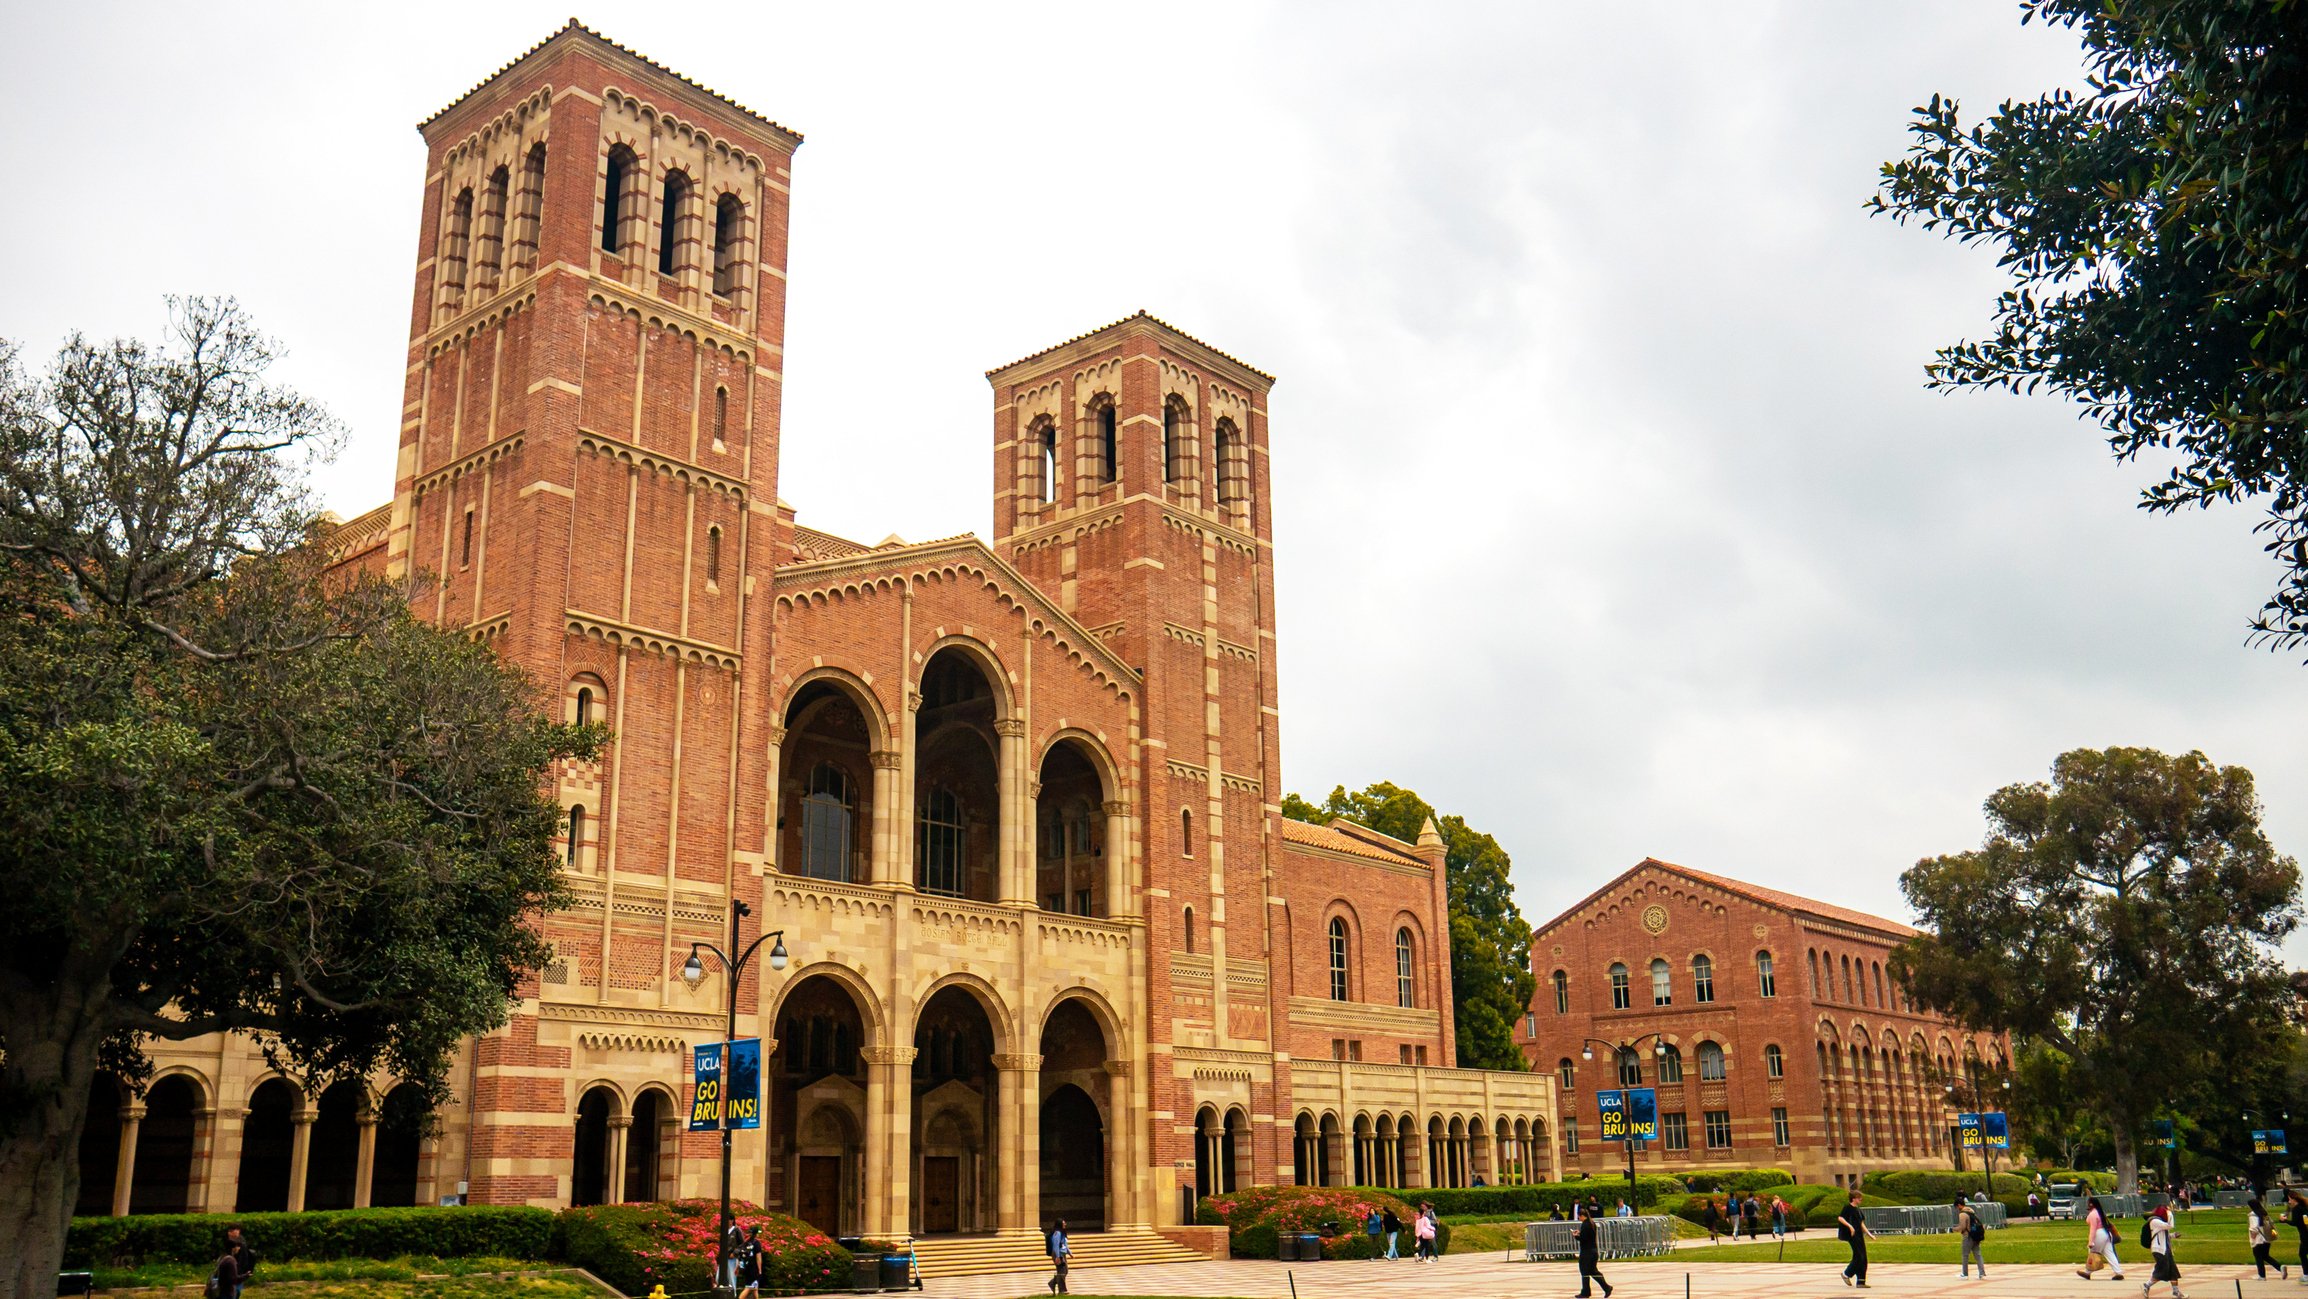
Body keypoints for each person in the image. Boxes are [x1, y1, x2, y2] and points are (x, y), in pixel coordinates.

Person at [2143, 1203, 2184, 1298]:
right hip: (2159, 1250)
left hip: (2166, 1249)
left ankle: (2176, 1292)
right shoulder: (2154, 1221)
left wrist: (2173, 1235)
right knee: (2162, 1270)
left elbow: (2164, 1235)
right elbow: (2170, 1225)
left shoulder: (2160, 1222)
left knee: (2173, 1270)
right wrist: (2169, 1213)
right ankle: (2146, 1285)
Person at [2079, 1197, 2125, 1281]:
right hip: (2106, 1233)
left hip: (2098, 1233)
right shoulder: (2100, 1212)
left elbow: (2093, 1229)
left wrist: (2090, 1242)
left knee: (2093, 1252)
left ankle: (2087, 1272)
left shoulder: (2093, 1214)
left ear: (2091, 1204)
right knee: (2110, 1253)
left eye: (2088, 1203)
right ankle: (2118, 1272)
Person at [1575, 1204, 1614, 1298]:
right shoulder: (1591, 1223)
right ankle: (1606, 1287)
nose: (1578, 1218)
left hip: (1587, 1252)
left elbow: (1583, 1239)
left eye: (1579, 1216)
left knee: (1585, 1271)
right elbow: (1588, 1236)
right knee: (1593, 1271)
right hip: (1593, 1251)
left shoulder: (1585, 1224)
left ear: (1581, 1216)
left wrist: (1576, 1236)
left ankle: (1586, 1291)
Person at [1838, 1189, 1875, 1288]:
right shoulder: (1847, 1208)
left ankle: (1861, 1281)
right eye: (1859, 1199)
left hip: (1859, 1235)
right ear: (1853, 1199)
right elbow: (1840, 1218)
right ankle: (1846, 1274)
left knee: (1863, 1258)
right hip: (1852, 1235)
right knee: (1859, 1257)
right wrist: (1850, 1227)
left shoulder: (1858, 1210)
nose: (1860, 1200)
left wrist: (1869, 1234)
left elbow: (1861, 1223)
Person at [2250, 1195, 2288, 1280]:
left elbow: (2254, 1228)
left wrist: (2252, 1238)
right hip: (2267, 1238)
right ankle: (2280, 1267)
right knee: (2265, 1256)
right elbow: (2271, 1223)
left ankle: (2262, 1275)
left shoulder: (2253, 1215)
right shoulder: (2264, 1213)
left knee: (2258, 1257)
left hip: (2258, 1240)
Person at [221, 1226, 256, 1299]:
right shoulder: (229, 1257)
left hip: (237, 1274)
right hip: (232, 1277)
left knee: (235, 1292)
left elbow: (243, 1261)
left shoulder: (241, 1243)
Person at [1957, 1198, 1987, 1279]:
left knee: (1965, 1255)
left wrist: (1955, 1229)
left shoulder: (1962, 1214)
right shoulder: (1971, 1211)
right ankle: (1982, 1273)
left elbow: (1963, 1227)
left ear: (1959, 1205)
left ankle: (1965, 1274)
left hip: (1968, 1236)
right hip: (1976, 1236)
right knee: (1978, 1254)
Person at [2285, 1188, 2308, 1282]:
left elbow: (2295, 1222)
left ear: (2293, 1199)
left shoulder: (2296, 1209)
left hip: (2305, 1235)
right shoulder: (2304, 1206)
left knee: (2302, 1254)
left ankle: (2306, 1275)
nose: (2289, 1201)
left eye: (2289, 1199)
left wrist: (2284, 1220)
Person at [1046, 1218, 1070, 1295]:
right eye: (1063, 1223)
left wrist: (1069, 1253)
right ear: (1060, 1224)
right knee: (1062, 1271)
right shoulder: (1057, 1233)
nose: (1065, 1224)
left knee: (1064, 1271)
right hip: (1058, 1254)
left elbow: (1064, 1244)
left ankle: (1052, 1283)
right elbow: (1056, 1245)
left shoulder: (1062, 1233)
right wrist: (1057, 1257)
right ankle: (1062, 1290)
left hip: (1062, 1253)